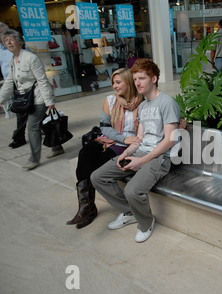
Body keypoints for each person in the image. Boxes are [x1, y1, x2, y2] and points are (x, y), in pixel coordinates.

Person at [91, 59, 180, 243]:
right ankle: (128, 212)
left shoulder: (167, 102)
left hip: (159, 157)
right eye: (135, 79)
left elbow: (170, 140)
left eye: (142, 78)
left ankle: (146, 223)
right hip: (140, 153)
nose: (137, 83)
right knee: (98, 177)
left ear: (154, 78)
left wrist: (142, 160)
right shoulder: (143, 106)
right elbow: (139, 139)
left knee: (132, 190)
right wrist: (125, 153)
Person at [67, 68, 144, 229]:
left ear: (128, 82)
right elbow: (105, 128)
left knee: (97, 165)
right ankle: (86, 208)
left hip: (128, 146)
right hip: (110, 139)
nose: (114, 86)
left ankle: (88, 209)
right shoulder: (110, 101)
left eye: (118, 82)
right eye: (113, 83)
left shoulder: (142, 102)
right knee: (85, 153)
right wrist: (123, 137)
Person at [0, 29, 64, 170]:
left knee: (32, 127)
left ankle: (34, 159)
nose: (8, 42)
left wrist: (49, 102)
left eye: (11, 39)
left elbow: (42, 80)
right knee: (43, 124)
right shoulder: (13, 60)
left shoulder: (31, 58)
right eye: (6, 40)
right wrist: (1, 99)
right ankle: (57, 147)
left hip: (38, 97)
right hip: (27, 99)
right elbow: (10, 82)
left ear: (20, 42)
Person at [0, 22, 28, 148]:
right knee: (24, 109)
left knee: (24, 109)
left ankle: (19, 136)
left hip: (26, 83)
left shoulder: (20, 47)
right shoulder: (1, 50)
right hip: (12, 82)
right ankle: (45, 126)